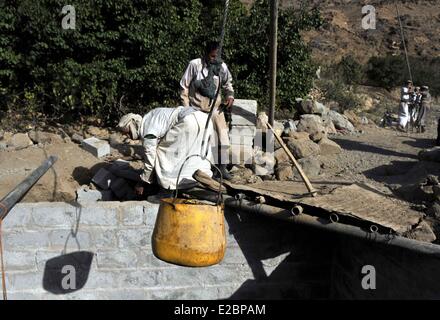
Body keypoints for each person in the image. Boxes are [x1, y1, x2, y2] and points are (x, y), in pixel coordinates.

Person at [117, 107, 214, 194]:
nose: (127, 136)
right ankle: (196, 180)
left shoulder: (148, 133)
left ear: (133, 124)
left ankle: (167, 190)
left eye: (126, 131)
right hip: (205, 118)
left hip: (188, 121)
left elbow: (151, 159)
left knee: (161, 152)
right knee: (192, 152)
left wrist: (143, 182)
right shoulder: (150, 117)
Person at [179, 41, 235, 180]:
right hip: (196, 108)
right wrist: (187, 109)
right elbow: (183, 87)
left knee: (222, 138)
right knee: (200, 140)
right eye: (211, 56)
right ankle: (197, 168)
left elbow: (228, 84)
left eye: (216, 56)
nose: (213, 59)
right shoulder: (195, 65)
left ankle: (221, 169)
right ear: (206, 54)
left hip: (215, 108)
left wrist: (230, 96)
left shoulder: (221, 66)